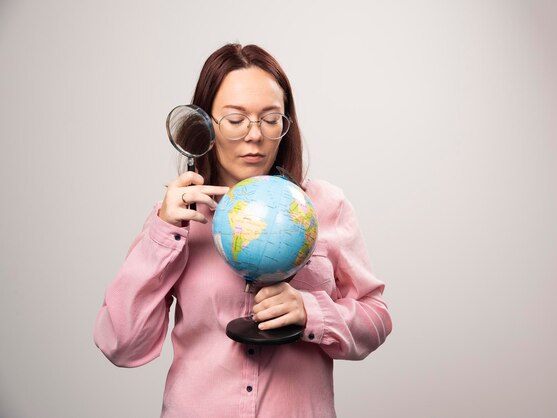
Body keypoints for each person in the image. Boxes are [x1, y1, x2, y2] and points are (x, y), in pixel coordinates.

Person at [94, 43, 392, 418]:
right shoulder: (177, 217)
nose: (255, 135)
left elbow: (376, 318)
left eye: (270, 119)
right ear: (204, 124)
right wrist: (164, 231)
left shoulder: (323, 205)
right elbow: (121, 344)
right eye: (236, 120)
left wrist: (310, 311)